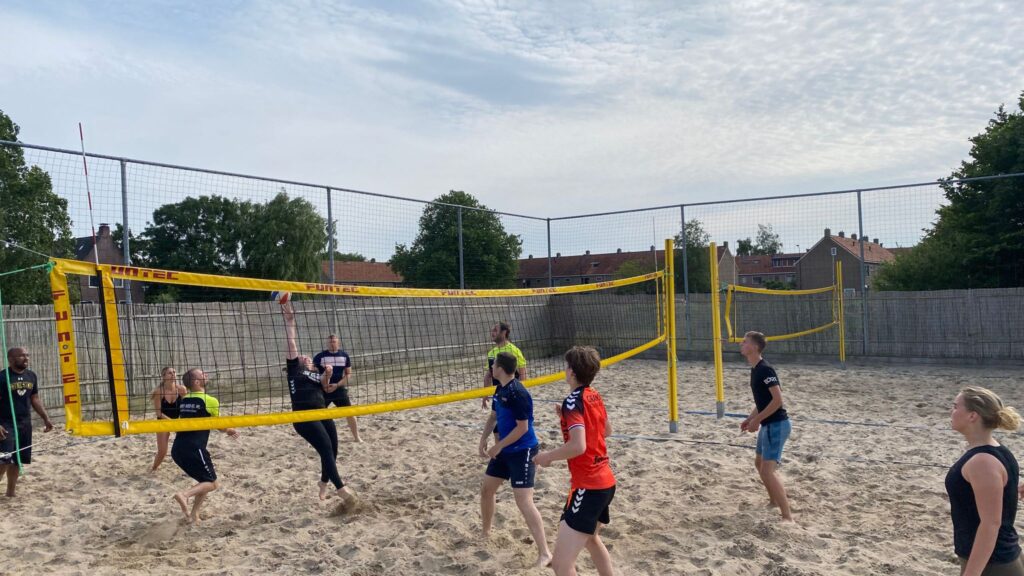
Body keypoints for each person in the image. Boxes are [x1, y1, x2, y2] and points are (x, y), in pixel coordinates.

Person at [534, 346, 616, 576]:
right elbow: (606, 430)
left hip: (588, 486)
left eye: (566, 366)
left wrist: (547, 457)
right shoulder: (593, 395)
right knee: (591, 539)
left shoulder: (572, 402)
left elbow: (578, 446)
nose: (565, 369)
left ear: (571, 372)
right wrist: (568, 420)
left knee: (561, 565)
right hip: (606, 482)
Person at [281, 302, 358, 510]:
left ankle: (323, 482)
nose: (306, 356)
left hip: (321, 411)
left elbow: (325, 387)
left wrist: (329, 375)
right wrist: (290, 322)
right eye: (302, 356)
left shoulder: (315, 374)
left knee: (333, 449)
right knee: (324, 448)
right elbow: (292, 343)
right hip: (304, 416)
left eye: (306, 356)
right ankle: (341, 489)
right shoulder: (294, 370)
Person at [478, 351, 551, 568]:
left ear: (500, 368)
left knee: (523, 501)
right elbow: (493, 417)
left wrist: (498, 445)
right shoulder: (500, 389)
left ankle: (545, 553)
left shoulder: (519, 393)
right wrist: (483, 440)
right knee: (486, 490)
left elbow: (523, 428)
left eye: (494, 365)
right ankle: (486, 532)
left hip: (523, 451)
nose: (491, 368)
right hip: (505, 451)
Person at [947, 386, 1024, 575]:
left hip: (993, 564)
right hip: (996, 558)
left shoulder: (982, 462)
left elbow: (991, 524)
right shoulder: (997, 451)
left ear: (973, 416)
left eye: (956, 406)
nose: (952, 411)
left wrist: (972, 573)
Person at [738, 330, 793, 522]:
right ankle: (774, 501)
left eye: (744, 342)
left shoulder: (765, 369)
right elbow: (763, 401)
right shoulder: (755, 369)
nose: (741, 344)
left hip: (777, 425)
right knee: (759, 463)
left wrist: (758, 420)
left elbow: (778, 400)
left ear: (754, 347)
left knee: (767, 471)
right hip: (768, 424)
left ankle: (787, 517)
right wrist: (750, 418)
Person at [170, 368, 238, 523]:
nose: (206, 375)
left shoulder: (185, 400)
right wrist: (229, 430)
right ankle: (184, 495)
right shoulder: (210, 401)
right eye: (202, 374)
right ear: (196, 382)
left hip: (177, 449)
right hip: (194, 448)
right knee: (212, 484)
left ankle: (194, 514)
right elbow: (219, 426)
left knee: (204, 481)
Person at [0, 347, 55, 498]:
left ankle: (10, 492)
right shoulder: (2, 377)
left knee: (17, 459)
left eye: (27, 355)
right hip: (5, 424)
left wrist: (46, 418)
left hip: (25, 423)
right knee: (4, 459)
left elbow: (34, 398)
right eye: (21, 356)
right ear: (11, 359)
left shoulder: (31, 376)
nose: (26, 358)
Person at [313, 334, 362, 443]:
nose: (332, 343)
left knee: (350, 413)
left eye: (334, 341)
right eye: (330, 342)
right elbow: (314, 373)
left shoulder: (344, 356)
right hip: (324, 390)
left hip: (338, 389)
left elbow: (348, 374)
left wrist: (337, 385)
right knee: (315, 416)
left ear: (338, 342)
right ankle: (313, 439)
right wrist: (324, 385)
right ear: (327, 343)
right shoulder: (320, 356)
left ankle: (357, 437)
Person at [481, 321, 528, 410]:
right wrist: (485, 394)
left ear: (504, 332)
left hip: (513, 392)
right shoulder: (491, 352)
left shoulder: (514, 350)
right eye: (492, 330)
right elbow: (488, 375)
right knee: (496, 417)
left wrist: (523, 393)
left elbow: (523, 372)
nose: (492, 333)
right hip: (498, 392)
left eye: (495, 330)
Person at [150, 367, 188, 472]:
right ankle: (154, 468)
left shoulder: (182, 389)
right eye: (170, 373)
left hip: (178, 420)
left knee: (187, 447)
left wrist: (180, 422)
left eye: (174, 372)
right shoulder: (159, 392)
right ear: (164, 376)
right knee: (162, 452)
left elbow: (186, 408)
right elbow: (159, 413)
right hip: (163, 421)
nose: (173, 375)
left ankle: (188, 469)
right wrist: (172, 423)